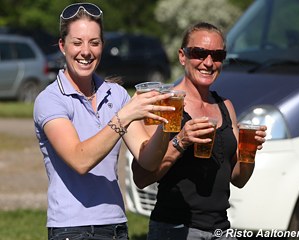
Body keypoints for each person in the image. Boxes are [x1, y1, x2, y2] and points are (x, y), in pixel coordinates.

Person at [33, 3, 175, 240]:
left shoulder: (116, 94)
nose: (86, 51)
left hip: (116, 225)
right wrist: (125, 116)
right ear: (62, 46)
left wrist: (167, 123)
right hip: (72, 229)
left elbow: (148, 160)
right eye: (77, 42)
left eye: (94, 43)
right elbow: (80, 160)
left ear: (102, 46)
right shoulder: (50, 100)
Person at [131, 22, 267, 240]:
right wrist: (181, 141)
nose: (208, 62)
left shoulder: (226, 106)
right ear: (182, 56)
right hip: (175, 229)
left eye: (217, 55)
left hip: (221, 229)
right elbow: (141, 177)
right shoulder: (165, 104)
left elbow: (238, 179)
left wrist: (249, 151)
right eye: (199, 53)